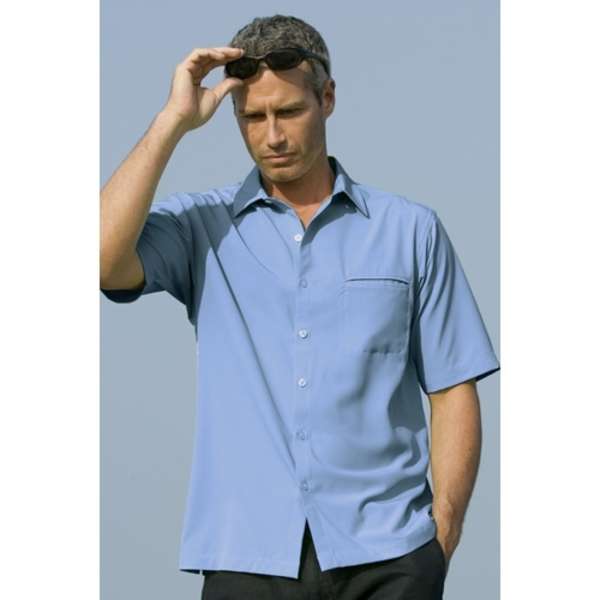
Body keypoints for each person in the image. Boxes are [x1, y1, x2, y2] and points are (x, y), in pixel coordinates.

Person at [100, 13, 500, 600]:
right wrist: (172, 122)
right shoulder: (201, 228)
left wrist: (441, 536)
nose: (273, 137)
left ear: (327, 99)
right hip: (246, 556)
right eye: (253, 117)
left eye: (288, 112)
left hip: (390, 557)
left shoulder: (410, 230)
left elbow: (452, 387)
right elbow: (102, 259)